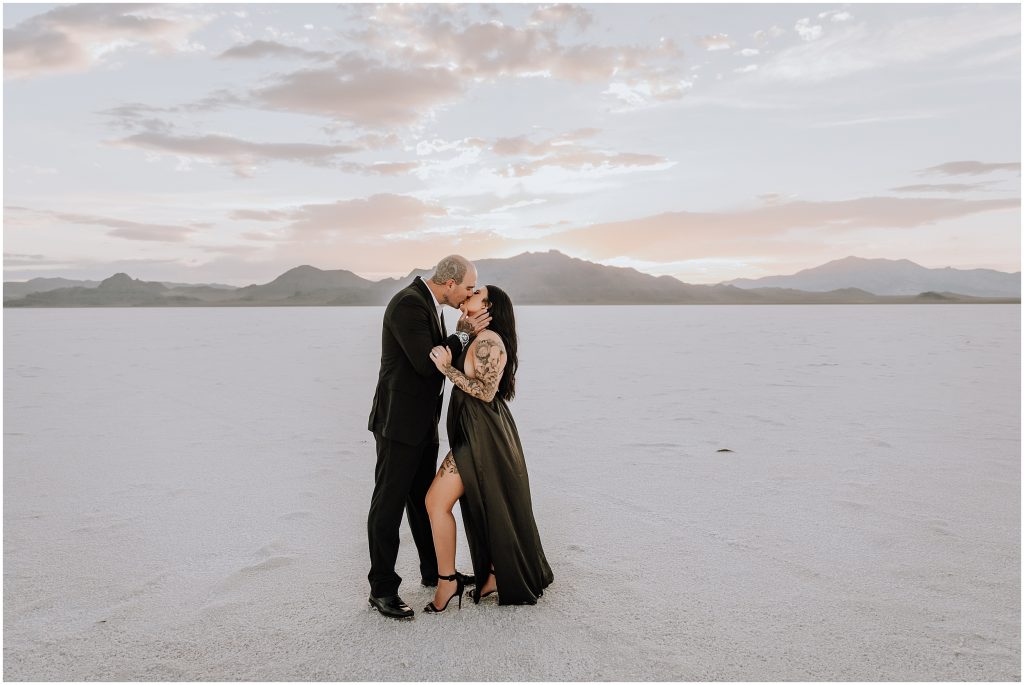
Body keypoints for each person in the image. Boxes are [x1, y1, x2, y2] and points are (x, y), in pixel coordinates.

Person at [366, 255, 491, 620]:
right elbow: (427, 363)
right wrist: (464, 332)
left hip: (421, 423)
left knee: (422, 503)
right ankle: (382, 589)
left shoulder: (429, 304)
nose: (468, 294)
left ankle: (432, 572)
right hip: (397, 425)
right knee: (387, 507)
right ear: (449, 283)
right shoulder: (408, 303)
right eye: (468, 287)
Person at [424, 285, 553, 612]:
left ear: (489, 308)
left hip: (484, 435)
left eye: (476, 293)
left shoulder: (491, 342)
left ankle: (447, 583)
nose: (468, 293)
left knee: (436, 501)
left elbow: (484, 391)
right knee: (481, 504)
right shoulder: (472, 334)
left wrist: (446, 369)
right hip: (474, 429)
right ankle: (491, 575)